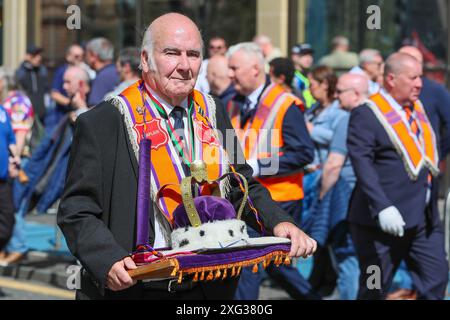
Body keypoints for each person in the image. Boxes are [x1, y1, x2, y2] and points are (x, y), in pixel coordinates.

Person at [57, 13, 317, 300]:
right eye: (171, 53)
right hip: (138, 283)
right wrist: (106, 259)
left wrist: (279, 222)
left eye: (193, 55)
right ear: (145, 59)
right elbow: (76, 208)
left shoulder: (214, 110)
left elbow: (240, 183)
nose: (183, 65)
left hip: (209, 283)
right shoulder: (104, 121)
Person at [347, 52, 449, 300]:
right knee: (374, 287)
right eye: (413, 78)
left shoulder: (419, 109)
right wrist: (382, 207)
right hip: (381, 221)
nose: (419, 84)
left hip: (424, 219)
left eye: (420, 77)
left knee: (436, 278)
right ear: (391, 79)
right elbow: (362, 163)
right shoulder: (367, 113)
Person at [226, 43, 318, 300]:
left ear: (255, 69)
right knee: (278, 268)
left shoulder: (286, 103)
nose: (229, 74)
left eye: (235, 68)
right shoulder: (232, 102)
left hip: (280, 198)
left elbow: (303, 154)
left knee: (249, 266)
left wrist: (258, 166)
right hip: (245, 198)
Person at [0, 66, 91, 267]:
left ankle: (18, 247)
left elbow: (20, 135)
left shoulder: (17, 103)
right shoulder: (6, 103)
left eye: (67, 82)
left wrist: (14, 159)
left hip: (22, 161)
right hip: (24, 162)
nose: (62, 87)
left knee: (16, 204)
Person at [303, 67, 360, 300]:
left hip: (332, 180)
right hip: (313, 177)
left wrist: (312, 130)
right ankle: (319, 283)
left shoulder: (343, 113)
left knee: (344, 247)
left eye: (313, 84)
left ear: (325, 83)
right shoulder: (314, 109)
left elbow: (338, 146)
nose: (309, 88)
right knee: (321, 237)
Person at [48, 44, 85, 131]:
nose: (79, 59)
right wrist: (71, 103)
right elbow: (54, 94)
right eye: (76, 56)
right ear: (68, 57)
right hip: (62, 117)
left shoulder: (85, 71)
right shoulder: (61, 72)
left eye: (82, 56)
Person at [0, 105, 18, 254]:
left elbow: (11, 139)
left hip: (3, 178)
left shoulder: (3, 111)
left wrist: (14, 158)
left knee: (8, 220)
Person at [15, 45, 49, 124]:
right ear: (27, 56)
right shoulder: (21, 72)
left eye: (39, 55)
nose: (39, 58)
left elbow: (46, 91)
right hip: (26, 114)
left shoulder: (42, 70)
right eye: (35, 55)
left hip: (42, 115)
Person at [85, 37, 119, 106]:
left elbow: (94, 111)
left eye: (86, 54)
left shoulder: (102, 77)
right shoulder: (118, 71)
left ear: (93, 56)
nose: (85, 57)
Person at [291, 43, 316, 109]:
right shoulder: (292, 76)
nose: (309, 59)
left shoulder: (312, 74)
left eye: (310, 55)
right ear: (294, 57)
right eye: (304, 55)